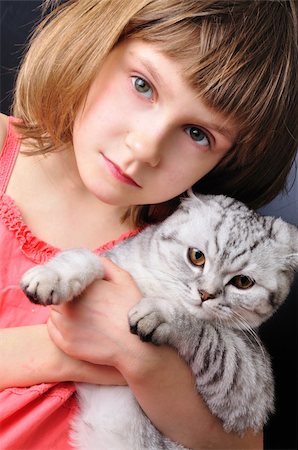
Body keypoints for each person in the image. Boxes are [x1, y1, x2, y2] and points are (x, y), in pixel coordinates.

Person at [0, 0, 297, 448]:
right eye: (142, 85)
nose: (144, 148)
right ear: (97, 44)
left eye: (198, 134)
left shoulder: (186, 246)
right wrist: (68, 352)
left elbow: (243, 443)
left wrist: (142, 361)